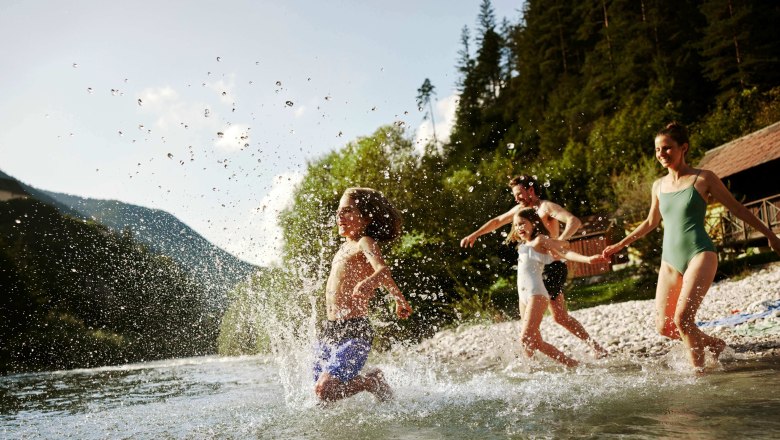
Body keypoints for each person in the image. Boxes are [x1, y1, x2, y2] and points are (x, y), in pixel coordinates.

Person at [602, 122, 780, 371]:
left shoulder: (703, 178)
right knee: (665, 327)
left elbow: (736, 208)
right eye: (657, 150)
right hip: (669, 260)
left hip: (700, 253)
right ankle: (714, 344)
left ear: (683, 148)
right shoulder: (658, 186)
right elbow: (650, 222)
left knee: (683, 319)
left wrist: (769, 234)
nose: (661, 154)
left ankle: (698, 378)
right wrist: (620, 244)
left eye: (667, 148)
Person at [460, 175, 608, 357]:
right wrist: (475, 234)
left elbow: (574, 221)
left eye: (519, 194)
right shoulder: (519, 210)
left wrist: (559, 242)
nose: (516, 199)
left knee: (558, 318)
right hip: (534, 269)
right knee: (532, 323)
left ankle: (590, 350)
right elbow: (497, 221)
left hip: (551, 267)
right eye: (514, 195)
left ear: (530, 190)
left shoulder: (546, 207)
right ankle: (533, 364)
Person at [313, 187, 413, 403]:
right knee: (322, 396)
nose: (340, 216)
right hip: (330, 329)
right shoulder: (343, 248)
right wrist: (399, 299)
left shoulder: (365, 242)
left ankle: (371, 382)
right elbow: (386, 280)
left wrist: (370, 281)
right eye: (339, 211)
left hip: (355, 330)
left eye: (348, 211)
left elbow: (382, 270)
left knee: (325, 389)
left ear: (366, 218)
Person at [505, 208, 607, 367]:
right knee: (533, 342)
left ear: (533, 223)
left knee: (525, 338)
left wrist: (587, 259)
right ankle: (570, 365)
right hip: (523, 298)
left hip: (536, 295)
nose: (519, 228)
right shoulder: (522, 245)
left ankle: (538, 370)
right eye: (516, 225)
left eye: (523, 223)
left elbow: (564, 253)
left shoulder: (540, 240)